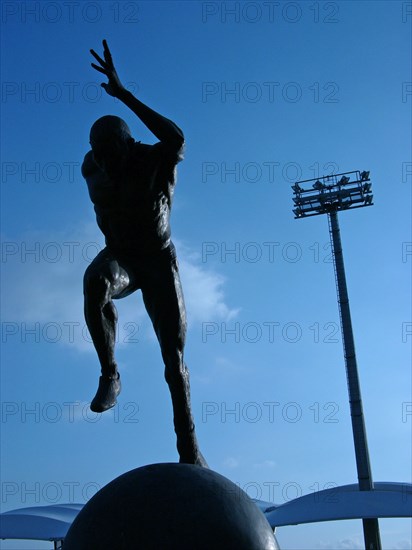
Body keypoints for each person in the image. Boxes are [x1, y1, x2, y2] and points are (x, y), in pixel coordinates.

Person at [81, 40, 206, 467]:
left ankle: (187, 444)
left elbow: (177, 137)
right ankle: (110, 373)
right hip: (121, 257)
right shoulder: (91, 167)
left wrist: (124, 94)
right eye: (102, 158)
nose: (107, 166)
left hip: (156, 260)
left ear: (129, 147)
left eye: (114, 157)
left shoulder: (154, 159)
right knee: (95, 282)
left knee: (173, 360)